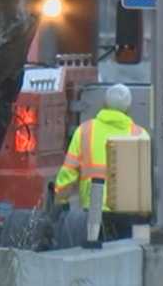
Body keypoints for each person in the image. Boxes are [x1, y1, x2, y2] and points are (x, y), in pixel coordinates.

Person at [54, 83, 149, 240]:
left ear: (104, 104)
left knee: (92, 250)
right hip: (128, 214)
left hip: (93, 212)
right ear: (128, 109)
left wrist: (61, 200)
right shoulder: (140, 134)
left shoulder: (85, 131)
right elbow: (144, 181)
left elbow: (68, 172)